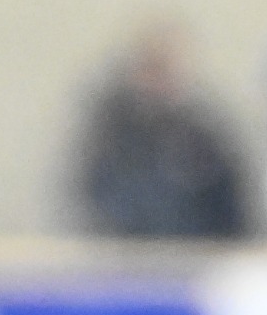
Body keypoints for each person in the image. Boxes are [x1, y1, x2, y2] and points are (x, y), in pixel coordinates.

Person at [79, 20, 246, 238]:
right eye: (152, 68)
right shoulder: (111, 133)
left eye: (167, 68)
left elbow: (228, 203)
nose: (159, 80)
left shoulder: (204, 134)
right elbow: (95, 196)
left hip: (194, 255)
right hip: (125, 256)